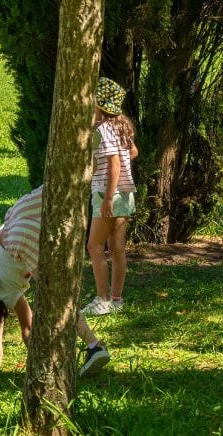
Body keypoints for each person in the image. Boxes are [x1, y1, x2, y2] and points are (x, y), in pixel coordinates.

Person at [0, 185, 112, 377]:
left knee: (59, 297)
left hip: (23, 243)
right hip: (15, 220)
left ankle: (93, 346)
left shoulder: (2, 290)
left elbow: (28, 326)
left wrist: (37, 364)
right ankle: (85, 175)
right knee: (58, 188)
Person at [82, 77, 138, 316]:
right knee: (117, 249)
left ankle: (102, 299)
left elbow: (114, 163)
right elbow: (132, 152)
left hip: (108, 194)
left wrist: (106, 197)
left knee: (94, 246)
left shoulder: (103, 129)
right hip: (125, 194)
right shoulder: (122, 125)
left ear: (99, 105)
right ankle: (116, 299)